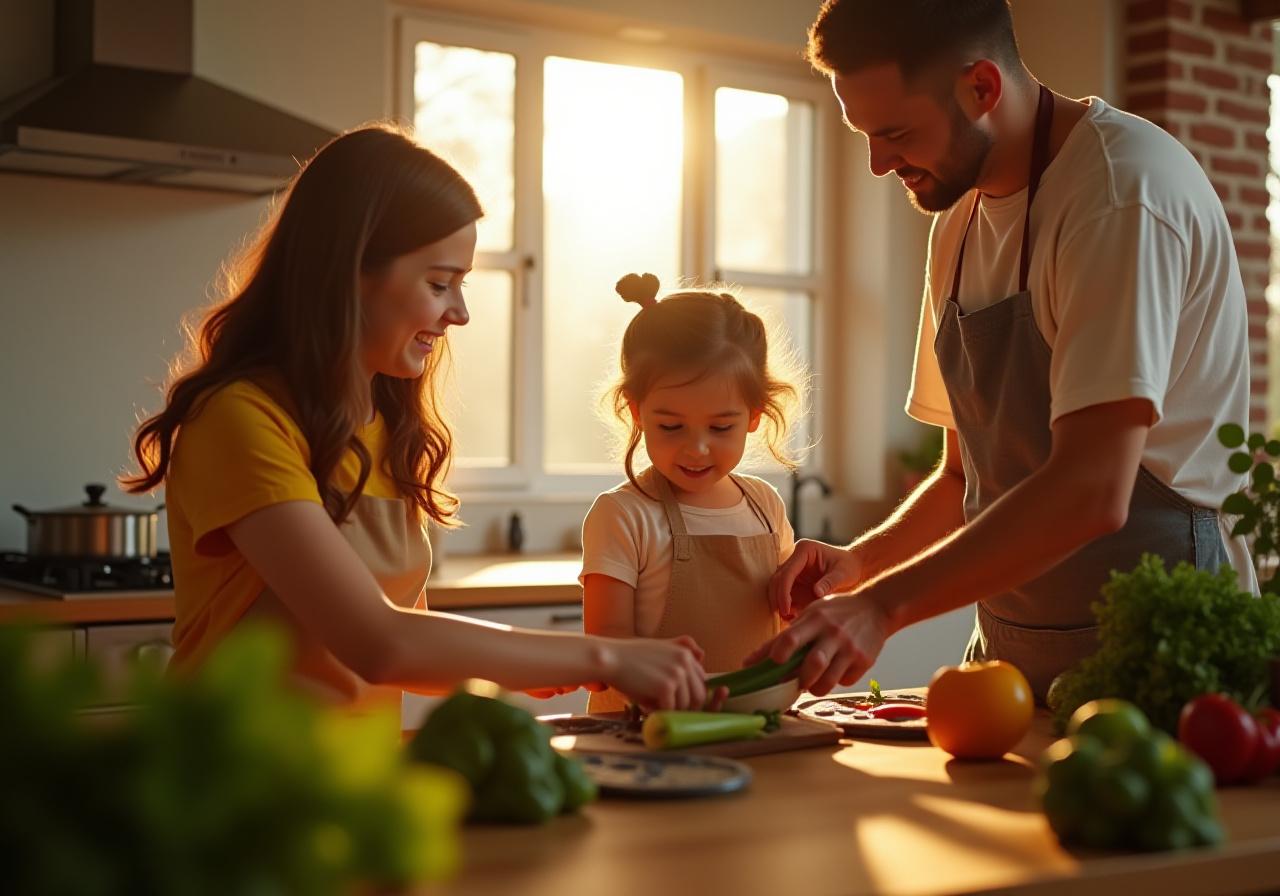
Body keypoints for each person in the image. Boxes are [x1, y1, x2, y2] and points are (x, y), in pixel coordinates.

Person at [750, 0, 1254, 702]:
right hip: (1015, 655)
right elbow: (967, 479)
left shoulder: (1117, 193)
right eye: (864, 134)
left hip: (1162, 656)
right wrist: (859, 565)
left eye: (895, 132)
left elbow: (1091, 490)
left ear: (981, 88)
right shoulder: (957, 221)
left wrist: (882, 608)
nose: (876, 163)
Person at [121, 125, 710, 712]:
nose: (459, 313)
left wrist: (519, 666)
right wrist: (604, 655)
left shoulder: (384, 427)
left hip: (359, 789)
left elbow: (412, 642)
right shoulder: (240, 420)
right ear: (349, 272)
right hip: (238, 789)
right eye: (439, 283)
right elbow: (378, 643)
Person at [580, 274, 801, 711]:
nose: (697, 448)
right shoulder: (623, 515)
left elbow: (786, 620)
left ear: (754, 416)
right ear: (635, 409)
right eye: (671, 426)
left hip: (752, 726)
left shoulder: (765, 506)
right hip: (642, 739)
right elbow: (606, 650)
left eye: (721, 427)